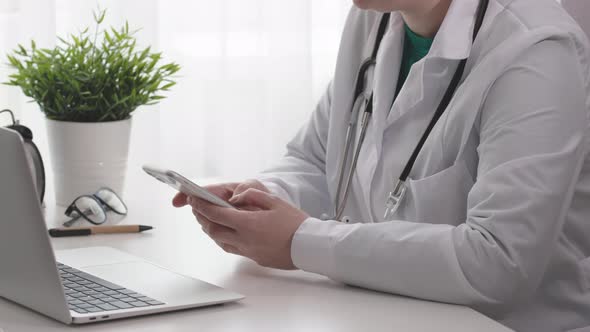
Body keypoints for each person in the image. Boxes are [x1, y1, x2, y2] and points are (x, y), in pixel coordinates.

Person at [173, 0, 590, 331]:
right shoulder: (373, 20)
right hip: (387, 312)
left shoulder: (537, 50)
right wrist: (261, 202)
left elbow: (500, 263)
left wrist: (300, 241)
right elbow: (317, 161)